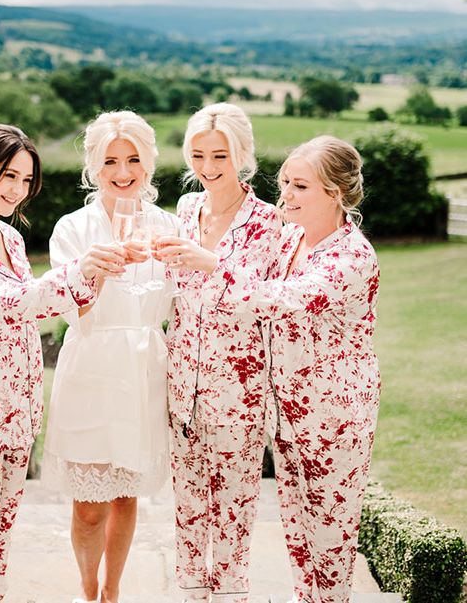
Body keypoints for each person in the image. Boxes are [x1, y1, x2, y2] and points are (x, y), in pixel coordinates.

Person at [157, 135, 380, 603]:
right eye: (284, 183)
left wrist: (211, 263)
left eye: (300, 186)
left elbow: (281, 300)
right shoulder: (292, 238)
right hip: (285, 414)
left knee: (330, 540)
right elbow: (246, 287)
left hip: (333, 420)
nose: (286, 195)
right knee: (298, 537)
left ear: (334, 194)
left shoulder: (352, 257)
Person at [0, 123, 127, 603]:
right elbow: (5, 301)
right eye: (7, 176)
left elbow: (38, 306)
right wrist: (80, 270)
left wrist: (94, 276)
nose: (17, 190)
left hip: (15, 418)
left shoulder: (10, 241)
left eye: (26, 180)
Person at [41, 111, 177, 603]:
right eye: (111, 161)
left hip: (144, 372)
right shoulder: (72, 228)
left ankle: (113, 591)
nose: (123, 171)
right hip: (90, 370)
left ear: (149, 163)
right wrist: (96, 270)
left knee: (125, 494)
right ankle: (86, 587)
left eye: (133, 159)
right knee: (90, 506)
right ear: (93, 166)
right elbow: (64, 305)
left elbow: (182, 302)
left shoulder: (169, 226)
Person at [149, 103, 281, 603]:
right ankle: (189, 589)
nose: (207, 166)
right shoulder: (184, 211)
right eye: (198, 154)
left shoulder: (270, 223)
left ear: (243, 154)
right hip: (182, 385)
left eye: (219, 154)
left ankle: (230, 594)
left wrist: (213, 264)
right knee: (186, 504)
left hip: (240, 389)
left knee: (234, 505)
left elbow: (272, 300)